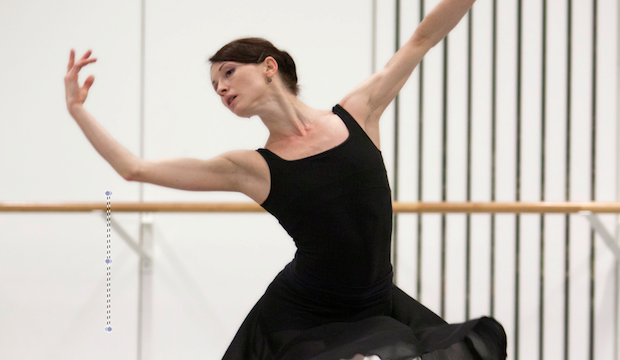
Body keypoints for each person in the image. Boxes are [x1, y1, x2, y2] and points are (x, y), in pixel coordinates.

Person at [65, 0, 506, 359]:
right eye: (214, 85)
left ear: (269, 66)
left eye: (228, 73)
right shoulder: (250, 168)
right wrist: (78, 111)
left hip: (375, 298)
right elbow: (134, 168)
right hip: (305, 314)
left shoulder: (358, 113)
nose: (220, 88)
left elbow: (422, 38)